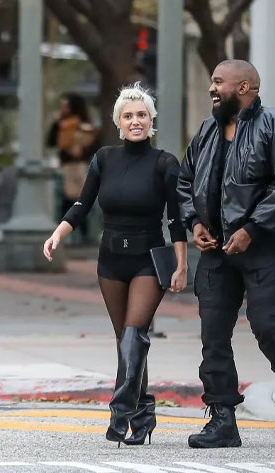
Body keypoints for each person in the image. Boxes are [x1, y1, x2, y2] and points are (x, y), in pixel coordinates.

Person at [177, 60, 275, 448]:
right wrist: (195, 224)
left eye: (219, 82)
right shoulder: (207, 131)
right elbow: (186, 181)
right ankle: (222, 419)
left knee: (266, 324)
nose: (212, 88)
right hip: (216, 253)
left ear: (246, 87)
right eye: (212, 82)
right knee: (213, 336)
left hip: (265, 248)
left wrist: (253, 229)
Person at [43, 83, 188, 446]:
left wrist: (181, 265)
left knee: (134, 335)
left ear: (151, 120)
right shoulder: (105, 158)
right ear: (118, 122)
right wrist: (58, 233)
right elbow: (83, 203)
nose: (135, 121)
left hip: (148, 259)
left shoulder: (165, 163)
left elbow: (177, 220)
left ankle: (120, 410)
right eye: (128, 116)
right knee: (126, 342)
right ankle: (143, 414)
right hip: (110, 259)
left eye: (142, 115)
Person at [46, 92, 99, 242]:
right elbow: (51, 141)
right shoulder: (61, 123)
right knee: (68, 199)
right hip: (66, 166)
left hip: (81, 165)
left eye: (66, 105)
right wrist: (56, 124)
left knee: (79, 199)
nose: (64, 109)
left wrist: (82, 151)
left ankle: (82, 233)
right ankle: (73, 233)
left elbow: (94, 142)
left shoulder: (85, 123)